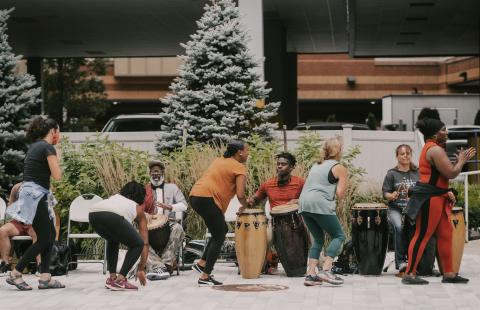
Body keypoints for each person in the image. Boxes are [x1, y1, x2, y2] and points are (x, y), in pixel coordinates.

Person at [402, 118, 476, 285]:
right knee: (422, 235)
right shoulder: (435, 150)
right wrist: (462, 161)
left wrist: (457, 163)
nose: (447, 132)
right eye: (444, 129)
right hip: (431, 198)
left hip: (439, 196)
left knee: (446, 233)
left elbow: (444, 175)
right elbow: (451, 174)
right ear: (436, 134)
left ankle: (449, 273)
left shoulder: (433, 148)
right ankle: (409, 274)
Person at [5, 116, 63, 291]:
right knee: (44, 237)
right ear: (53, 131)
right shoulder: (47, 147)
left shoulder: (35, 147)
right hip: (35, 196)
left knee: (50, 234)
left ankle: (45, 277)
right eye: (59, 131)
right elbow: (58, 176)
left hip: (33, 194)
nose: (59, 135)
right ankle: (15, 273)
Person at [190, 140, 249, 286]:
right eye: (247, 150)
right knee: (219, 235)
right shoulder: (239, 167)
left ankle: (202, 263)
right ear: (239, 152)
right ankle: (205, 277)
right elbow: (241, 195)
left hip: (195, 195)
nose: (248, 153)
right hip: (207, 198)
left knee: (221, 229)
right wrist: (245, 206)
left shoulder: (219, 160)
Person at [299, 137, 347, 286]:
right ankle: (326, 270)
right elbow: (340, 194)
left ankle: (311, 275)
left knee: (318, 238)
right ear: (338, 150)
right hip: (320, 203)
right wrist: (345, 181)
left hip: (304, 203)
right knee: (339, 235)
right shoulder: (339, 167)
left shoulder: (317, 164)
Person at [247, 152, 305, 274]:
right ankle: (261, 266)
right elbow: (256, 198)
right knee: (265, 239)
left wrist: (299, 200)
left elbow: (311, 198)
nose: (279, 166)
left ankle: (318, 265)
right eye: (278, 164)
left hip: (296, 221)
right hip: (274, 222)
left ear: (291, 167)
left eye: (283, 164)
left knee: (313, 236)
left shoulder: (300, 183)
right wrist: (249, 201)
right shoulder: (268, 184)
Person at [89, 181, 149, 291]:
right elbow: (144, 242)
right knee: (137, 244)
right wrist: (141, 268)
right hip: (112, 215)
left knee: (112, 239)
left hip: (93, 214)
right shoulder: (137, 209)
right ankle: (121, 279)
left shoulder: (114, 197)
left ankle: (112, 278)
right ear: (141, 196)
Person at [137, 160, 187, 281]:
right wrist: (145, 214)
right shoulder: (145, 190)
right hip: (149, 224)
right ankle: (159, 266)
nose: (155, 174)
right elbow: (136, 208)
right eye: (153, 172)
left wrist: (171, 207)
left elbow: (184, 205)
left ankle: (165, 263)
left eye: (158, 171)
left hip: (168, 222)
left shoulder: (172, 187)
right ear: (149, 174)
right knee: (137, 236)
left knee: (178, 228)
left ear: (163, 173)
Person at [382, 145, 419, 274]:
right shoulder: (392, 173)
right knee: (399, 226)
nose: (405, 156)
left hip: (413, 209)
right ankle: (401, 262)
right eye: (402, 154)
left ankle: (417, 260)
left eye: (408, 153)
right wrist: (391, 195)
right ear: (397, 156)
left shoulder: (417, 173)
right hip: (395, 208)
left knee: (417, 229)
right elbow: (385, 193)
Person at [0, 183, 39, 275]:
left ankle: (40, 265)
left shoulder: (39, 187)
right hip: (19, 222)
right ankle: (5, 264)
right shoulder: (17, 187)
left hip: (33, 222)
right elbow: (11, 205)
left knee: (37, 233)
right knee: (2, 231)